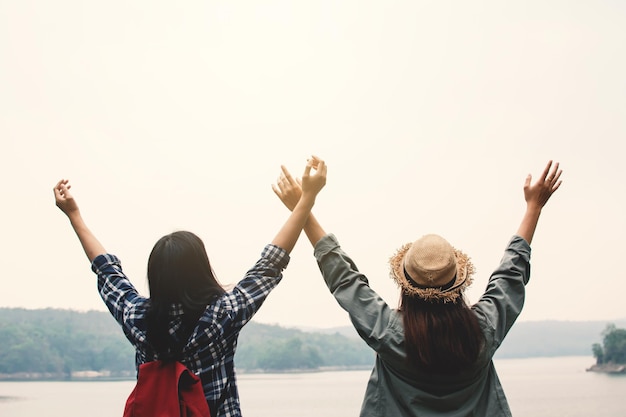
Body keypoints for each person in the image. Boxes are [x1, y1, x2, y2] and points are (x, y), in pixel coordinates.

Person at [272, 159, 562, 417]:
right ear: (458, 284)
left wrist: (304, 207)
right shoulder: (483, 332)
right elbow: (510, 275)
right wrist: (534, 207)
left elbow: (344, 279)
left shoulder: (388, 332)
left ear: (405, 285)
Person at [54, 156, 327, 417]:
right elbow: (270, 265)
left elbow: (107, 271)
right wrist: (307, 199)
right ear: (201, 270)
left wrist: (74, 215)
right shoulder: (220, 317)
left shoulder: (137, 318)